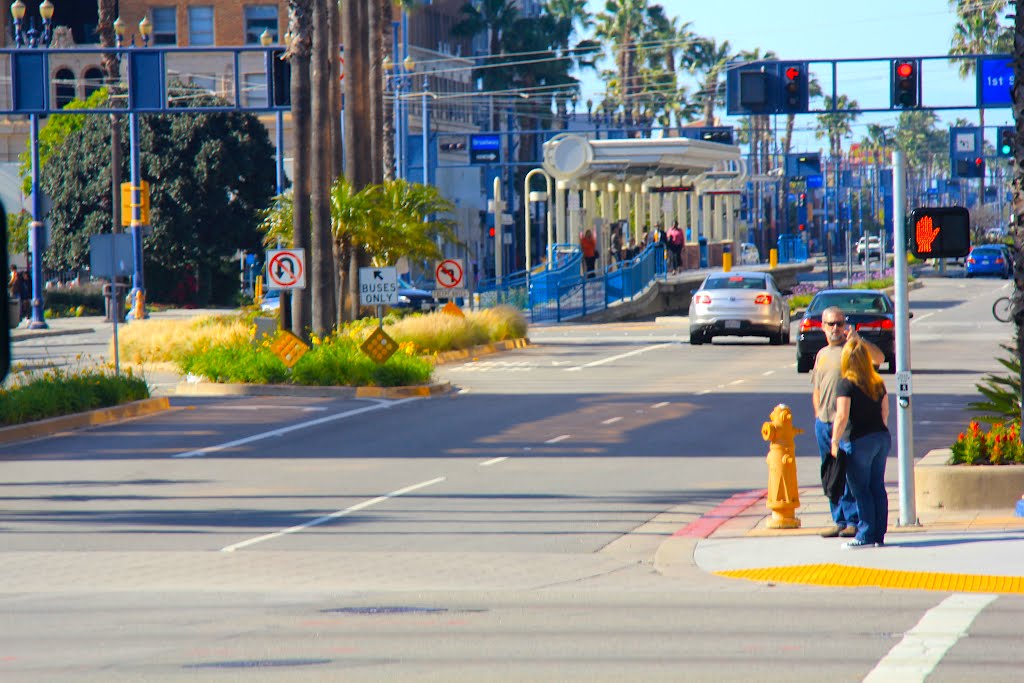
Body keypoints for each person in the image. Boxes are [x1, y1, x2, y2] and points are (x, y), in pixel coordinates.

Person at [811, 306, 884, 538]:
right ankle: (839, 519)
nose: (835, 328)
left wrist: (858, 340)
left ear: (846, 326)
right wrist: (818, 416)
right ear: (823, 326)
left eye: (839, 324)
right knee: (832, 473)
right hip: (824, 423)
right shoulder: (821, 354)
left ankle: (853, 520)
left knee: (851, 474)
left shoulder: (853, 350)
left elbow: (880, 358)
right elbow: (817, 388)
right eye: (831, 324)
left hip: (846, 424)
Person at [831, 338, 892, 549]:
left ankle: (865, 534)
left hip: (858, 440)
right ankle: (878, 534)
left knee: (861, 489)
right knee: (877, 487)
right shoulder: (877, 382)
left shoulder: (846, 383)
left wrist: (834, 441)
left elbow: (841, 416)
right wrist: (878, 429)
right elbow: (885, 412)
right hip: (881, 438)